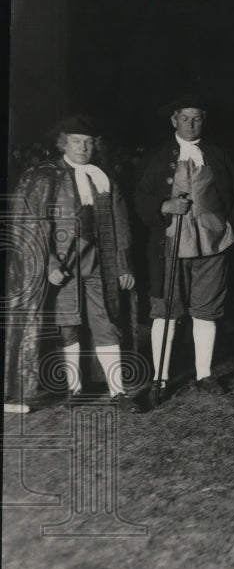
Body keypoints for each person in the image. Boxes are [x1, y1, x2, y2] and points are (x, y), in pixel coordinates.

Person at [4, 115, 136, 413]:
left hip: (98, 262)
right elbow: (33, 223)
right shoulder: (43, 175)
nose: (83, 147)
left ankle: (118, 392)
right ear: (64, 143)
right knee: (68, 327)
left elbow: (120, 223)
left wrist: (124, 265)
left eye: (88, 142)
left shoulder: (104, 177)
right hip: (62, 266)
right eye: (76, 141)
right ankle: (75, 390)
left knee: (105, 323)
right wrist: (49, 262)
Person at [134, 94, 234, 407]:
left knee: (207, 309)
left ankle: (203, 374)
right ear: (174, 120)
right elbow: (140, 199)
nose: (191, 123)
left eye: (197, 118)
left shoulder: (219, 155)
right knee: (166, 312)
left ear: (204, 120)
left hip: (213, 245)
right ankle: (160, 377)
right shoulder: (156, 158)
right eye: (185, 118)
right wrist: (163, 206)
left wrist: (231, 230)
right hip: (169, 246)